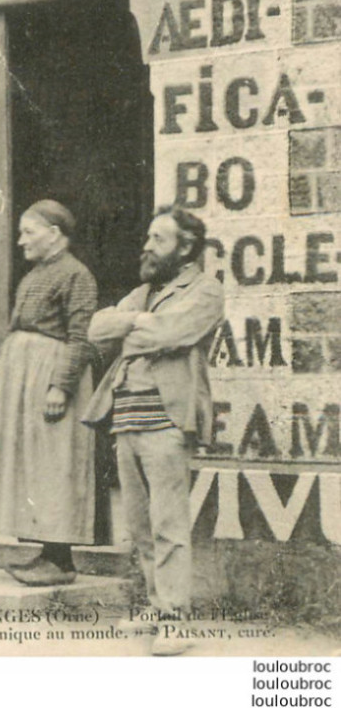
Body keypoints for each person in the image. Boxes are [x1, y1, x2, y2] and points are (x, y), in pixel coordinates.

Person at [84, 205, 224, 655]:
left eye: (158, 239)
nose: (146, 246)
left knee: (168, 524)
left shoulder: (205, 290)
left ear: (185, 248)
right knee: (140, 525)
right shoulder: (144, 293)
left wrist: (141, 328)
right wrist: (138, 321)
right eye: (147, 236)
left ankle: (175, 619)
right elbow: (95, 328)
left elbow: (170, 335)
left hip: (166, 420)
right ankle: (156, 602)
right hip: (125, 418)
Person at [0, 200, 97, 586]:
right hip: (22, 380)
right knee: (33, 467)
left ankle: (61, 560)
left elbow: (81, 338)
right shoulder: (32, 277)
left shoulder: (77, 275)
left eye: (28, 232)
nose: (19, 240)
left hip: (51, 381)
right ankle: (46, 554)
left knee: (55, 466)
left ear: (54, 234)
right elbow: (13, 333)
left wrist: (61, 386)